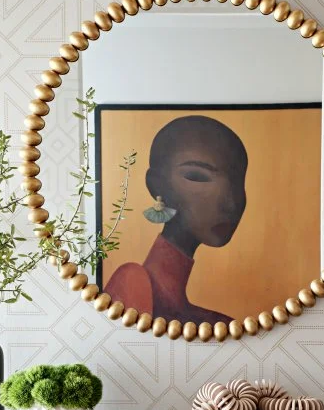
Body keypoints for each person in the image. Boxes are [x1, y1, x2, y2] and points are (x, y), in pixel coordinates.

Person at [105, 114, 248, 324]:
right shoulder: (133, 280)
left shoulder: (219, 323)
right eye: (197, 177)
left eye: (237, 183)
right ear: (156, 186)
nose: (230, 202)